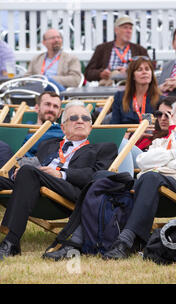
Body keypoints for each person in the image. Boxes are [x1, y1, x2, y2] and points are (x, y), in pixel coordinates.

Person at [43, 96, 176, 260]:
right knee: (101, 177)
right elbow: (143, 160)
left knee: (151, 177)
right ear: (174, 117)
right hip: (148, 189)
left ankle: (126, 242)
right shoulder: (160, 143)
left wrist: (163, 165)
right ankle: (76, 242)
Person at [0, 101, 117, 259]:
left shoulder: (103, 148)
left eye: (85, 118)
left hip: (70, 190)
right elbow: (36, 166)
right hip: (35, 184)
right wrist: (17, 173)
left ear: (90, 126)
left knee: (29, 172)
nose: (80, 120)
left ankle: (11, 241)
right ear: (63, 127)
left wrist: (61, 174)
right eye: (74, 117)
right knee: (25, 171)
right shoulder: (48, 144)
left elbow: (95, 176)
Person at [84, 16, 149, 84]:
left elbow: (149, 71)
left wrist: (129, 72)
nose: (129, 31)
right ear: (116, 30)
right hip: (109, 83)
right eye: (125, 27)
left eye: (130, 28)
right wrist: (100, 74)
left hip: (131, 84)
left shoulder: (140, 50)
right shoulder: (102, 49)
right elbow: (88, 73)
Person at [23, 91, 64, 157]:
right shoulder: (23, 129)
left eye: (55, 106)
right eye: (47, 104)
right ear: (37, 108)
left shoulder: (61, 133)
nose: (51, 109)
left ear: (59, 114)